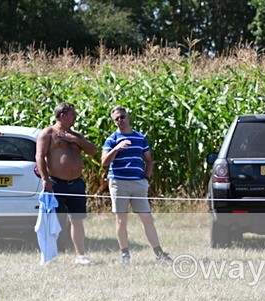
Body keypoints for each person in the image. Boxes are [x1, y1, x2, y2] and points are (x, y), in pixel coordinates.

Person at [101, 106, 171, 264]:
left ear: (128, 117)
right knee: (121, 219)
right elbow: (104, 162)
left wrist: (146, 177)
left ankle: (159, 252)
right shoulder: (112, 139)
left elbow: (148, 160)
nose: (120, 120)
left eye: (122, 117)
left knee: (147, 218)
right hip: (119, 182)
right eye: (116, 119)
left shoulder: (140, 138)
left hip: (138, 182)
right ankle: (125, 254)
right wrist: (117, 149)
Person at [35, 102, 98, 265]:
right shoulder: (48, 133)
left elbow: (93, 150)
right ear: (62, 115)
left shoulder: (76, 134)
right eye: (72, 114)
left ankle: (80, 255)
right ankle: (50, 255)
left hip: (76, 184)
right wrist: (45, 179)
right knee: (54, 220)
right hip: (56, 183)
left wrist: (74, 139)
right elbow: (40, 157)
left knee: (77, 219)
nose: (75, 117)